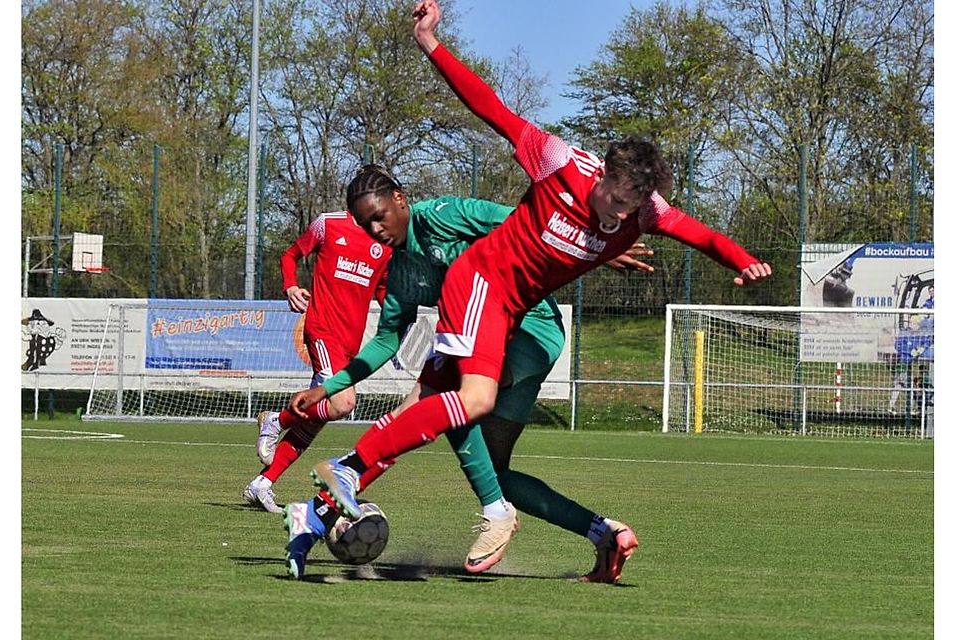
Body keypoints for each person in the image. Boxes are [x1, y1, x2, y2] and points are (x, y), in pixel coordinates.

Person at [310, 0, 771, 584]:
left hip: (519, 320)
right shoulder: (559, 162)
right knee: (459, 405)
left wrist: (742, 259)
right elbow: (489, 106)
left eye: (629, 206)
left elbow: (696, 232)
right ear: (601, 173)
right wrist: (430, 43)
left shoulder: (643, 213)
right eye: (612, 197)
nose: (616, 211)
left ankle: (360, 472)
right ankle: (359, 477)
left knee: (472, 432)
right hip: (482, 286)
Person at [280, 164, 654, 580]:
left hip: (529, 329)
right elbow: (387, 341)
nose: (376, 229)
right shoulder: (400, 270)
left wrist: (596, 245)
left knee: (445, 393)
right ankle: (605, 534)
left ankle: (486, 512)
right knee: (495, 471)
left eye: (380, 215)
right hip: (493, 345)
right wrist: (327, 387)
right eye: (366, 224)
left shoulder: (444, 214)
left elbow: (525, 223)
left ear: (400, 199)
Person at [240, 207, 391, 513]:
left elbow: (385, 291)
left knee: (316, 418)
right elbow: (290, 255)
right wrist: (290, 286)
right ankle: (276, 420)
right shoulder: (329, 224)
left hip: (349, 343)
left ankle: (263, 484)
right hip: (323, 331)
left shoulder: (386, 242)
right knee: (344, 403)